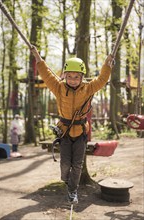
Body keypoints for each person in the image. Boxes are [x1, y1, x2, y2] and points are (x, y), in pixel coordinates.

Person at [31, 46, 114, 204]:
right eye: (70, 76)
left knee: (77, 164)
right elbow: (46, 75)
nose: (73, 80)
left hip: (81, 132)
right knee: (65, 164)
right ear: (65, 76)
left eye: (77, 77)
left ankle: (72, 191)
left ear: (82, 77)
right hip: (65, 132)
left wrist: (107, 64)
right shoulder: (59, 88)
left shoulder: (88, 88)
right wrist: (37, 56)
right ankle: (67, 181)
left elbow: (102, 79)